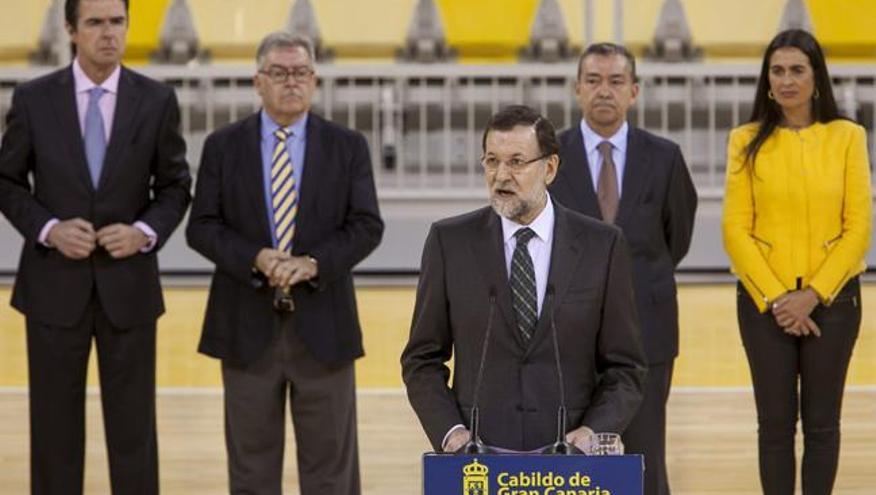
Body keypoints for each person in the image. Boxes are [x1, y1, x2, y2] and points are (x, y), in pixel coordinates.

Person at [0, 0, 192, 493]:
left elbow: (174, 187)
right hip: (51, 287)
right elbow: (7, 182)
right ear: (70, 29)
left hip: (128, 289)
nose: (108, 33)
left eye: (117, 22)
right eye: (95, 23)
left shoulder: (155, 100)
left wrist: (144, 233)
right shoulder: (33, 98)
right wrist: (48, 228)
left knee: (133, 433)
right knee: (54, 433)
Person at [186, 32, 383, 495]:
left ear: (314, 80)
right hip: (246, 327)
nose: (290, 82)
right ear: (258, 81)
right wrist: (253, 256)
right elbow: (202, 226)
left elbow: (366, 225)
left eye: (300, 73)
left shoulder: (347, 145)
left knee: (331, 472)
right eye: (279, 73)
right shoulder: (222, 145)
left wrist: (314, 263)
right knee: (251, 472)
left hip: (324, 327)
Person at [401, 104, 646, 454]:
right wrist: (452, 433)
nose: (501, 175)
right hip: (478, 459)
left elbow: (626, 367)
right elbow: (421, 359)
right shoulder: (449, 242)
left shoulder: (602, 245)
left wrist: (593, 430)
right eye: (491, 161)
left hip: (569, 459)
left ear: (550, 167)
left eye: (516, 162)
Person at [722, 29, 871, 495]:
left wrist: (812, 295)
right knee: (775, 427)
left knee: (823, 425)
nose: (787, 80)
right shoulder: (744, 141)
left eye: (797, 70)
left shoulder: (848, 137)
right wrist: (779, 298)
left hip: (833, 303)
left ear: (816, 77)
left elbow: (858, 227)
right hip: (765, 306)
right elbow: (735, 229)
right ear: (767, 80)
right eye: (778, 70)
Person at [550, 42, 696, 495]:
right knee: (570, 458)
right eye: (593, 80)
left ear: (634, 91)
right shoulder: (549, 154)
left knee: (644, 456)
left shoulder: (665, 157)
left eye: (615, 81)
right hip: (564, 336)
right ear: (577, 90)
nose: (604, 91)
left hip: (647, 332)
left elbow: (677, 237)